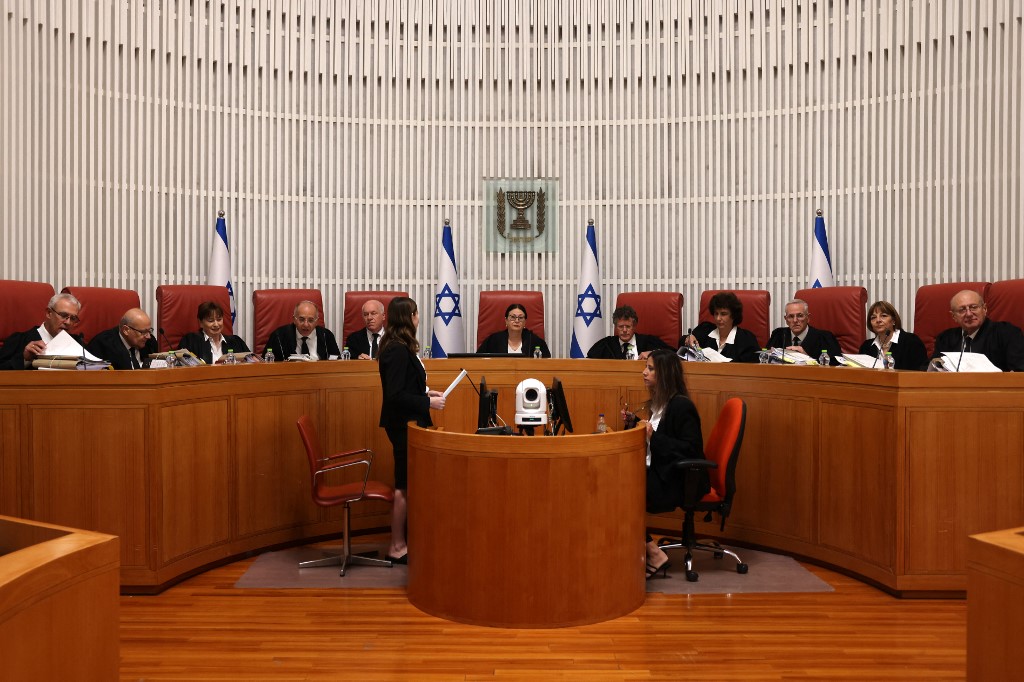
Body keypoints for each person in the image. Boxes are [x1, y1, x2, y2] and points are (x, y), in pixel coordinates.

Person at [625, 349, 706, 580]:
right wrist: (634, 423)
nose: (644, 372)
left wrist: (653, 435)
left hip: (675, 481)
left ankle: (654, 553)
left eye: (650, 368)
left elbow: (690, 449)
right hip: (658, 473)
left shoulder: (681, 406)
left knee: (620, 493)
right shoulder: (659, 404)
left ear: (665, 374)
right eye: (646, 367)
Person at [377, 297, 446, 564]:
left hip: (410, 422)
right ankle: (396, 546)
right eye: (416, 314)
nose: (418, 318)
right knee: (403, 486)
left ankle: (405, 540)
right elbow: (395, 395)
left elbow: (406, 385)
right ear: (409, 317)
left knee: (408, 484)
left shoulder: (400, 346)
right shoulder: (396, 350)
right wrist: (427, 403)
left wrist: (426, 392)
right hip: (402, 424)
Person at [931, 289, 1024, 371]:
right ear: (953, 316)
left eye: (974, 307)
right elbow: (932, 369)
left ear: (984, 309)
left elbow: (1019, 370)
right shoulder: (945, 339)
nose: (969, 314)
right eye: (962, 310)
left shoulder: (1008, 333)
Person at [0, 292, 85, 370]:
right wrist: (24, 359)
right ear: (49, 313)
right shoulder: (19, 341)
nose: (68, 322)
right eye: (63, 315)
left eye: (73, 318)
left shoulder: (78, 343)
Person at [680, 292, 760, 363]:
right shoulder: (705, 330)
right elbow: (681, 344)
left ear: (733, 316)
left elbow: (754, 368)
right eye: (716, 314)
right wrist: (688, 338)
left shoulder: (746, 339)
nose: (718, 318)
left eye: (723, 314)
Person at [767, 299, 843, 364]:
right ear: (786, 320)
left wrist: (808, 359)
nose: (795, 320)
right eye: (791, 316)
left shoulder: (825, 338)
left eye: (800, 316)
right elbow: (764, 359)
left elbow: (837, 366)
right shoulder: (778, 334)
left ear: (808, 318)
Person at [857, 301, 928, 370]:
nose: (878, 320)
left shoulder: (911, 342)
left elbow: (921, 372)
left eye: (883, 316)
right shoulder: (866, 347)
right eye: (873, 317)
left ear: (893, 321)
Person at [177, 301, 250, 364]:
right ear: (200, 323)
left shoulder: (236, 341)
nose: (216, 324)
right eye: (211, 321)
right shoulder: (190, 341)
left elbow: (253, 362)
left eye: (219, 319)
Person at [264, 300, 341, 361]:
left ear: (316, 322)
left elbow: (337, 363)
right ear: (294, 320)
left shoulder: (326, 336)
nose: (306, 324)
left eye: (311, 320)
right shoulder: (279, 336)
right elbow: (266, 363)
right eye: (301, 319)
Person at [586, 305, 671, 360]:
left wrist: (653, 354)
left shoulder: (648, 341)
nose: (624, 330)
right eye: (620, 326)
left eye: (628, 326)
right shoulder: (606, 345)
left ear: (634, 326)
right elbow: (588, 361)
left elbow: (673, 355)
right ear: (615, 327)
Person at [86, 308, 159, 370]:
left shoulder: (150, 342)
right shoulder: (102, 345)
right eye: (143, 332)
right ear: (126, 330)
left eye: (149, 331)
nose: (148, 336)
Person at [476, 303, 551, 357]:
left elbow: (547, 364)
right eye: (513, 317)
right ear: (506, 320)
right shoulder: (493, 340)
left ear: (525, 322)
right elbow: (477, 361)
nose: (516, 321)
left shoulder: (535, 341)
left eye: (520, 318)